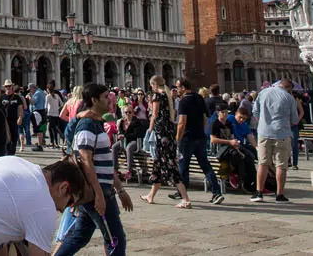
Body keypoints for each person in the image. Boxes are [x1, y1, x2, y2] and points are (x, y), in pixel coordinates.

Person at [56, 82, 132, 256]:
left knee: (80, 237)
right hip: (96, 191)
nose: (110, 100)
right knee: (115, 239)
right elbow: (86, 160)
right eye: (105, 97)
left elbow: (104, 162)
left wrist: (120, 189)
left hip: (100, 189)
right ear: (94, 100)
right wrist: (98, 194)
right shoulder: (87, 125)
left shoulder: (96, 123)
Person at [142, 75, 192, 208]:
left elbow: (155, 113)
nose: (151, 88)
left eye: (151, 85)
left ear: (154, 85)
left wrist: (150, 128)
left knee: (170, 165)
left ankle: (186, 199)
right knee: (158, 164)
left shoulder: (157, 95)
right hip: (168, 132)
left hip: (161, 133)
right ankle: (151, 196)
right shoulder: (168, 96)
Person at [174, 77, 224, 204]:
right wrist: (201, 131)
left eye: (178, 87)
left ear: (183, 87)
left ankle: (182, 192)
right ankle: (216, 192)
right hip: (200, 137)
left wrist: (177, 139)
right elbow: (205, 118)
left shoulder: (184, 101)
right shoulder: (199, 98)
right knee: (205, 165)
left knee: (183, 166)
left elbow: (181, 123)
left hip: (187, 138)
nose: (176, 89)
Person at [252, 77, 300, 203]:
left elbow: (255, 112)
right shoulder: (289, 98)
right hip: (282, 134)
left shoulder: (263, 93)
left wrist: (263, 122)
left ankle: (259, 193)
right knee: (281, 165)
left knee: (263, 163)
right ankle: (279, 195)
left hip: (264, 132)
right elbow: (294, 120)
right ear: (289, 89)